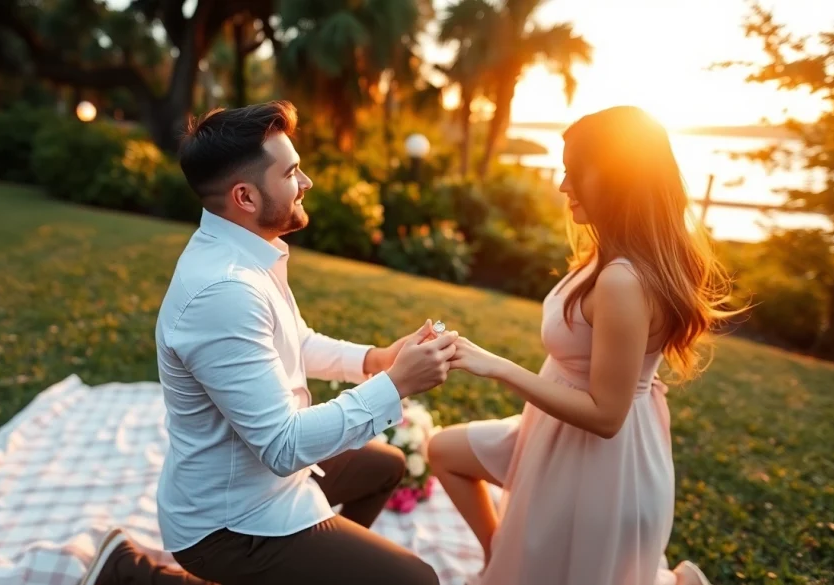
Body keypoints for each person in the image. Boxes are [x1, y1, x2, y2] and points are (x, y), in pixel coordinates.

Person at [427, 105, 738, 585]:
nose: (562, 185)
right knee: (446, 451)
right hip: (548, 431)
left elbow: (606, 417)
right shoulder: (608, 257)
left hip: (599, 463)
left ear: (615, 179)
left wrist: (498, 367)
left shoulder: (622, 279)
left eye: (574, 172)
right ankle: (498, 556)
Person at [149, 100, 456, 585]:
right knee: (417, 580)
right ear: (246, 197)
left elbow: (296, 341)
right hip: (230, 523)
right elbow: (283, 446)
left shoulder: (244, 252)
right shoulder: (225, 290)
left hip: (262, 479)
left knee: (387, 465)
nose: (306, 182)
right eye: (292, 172)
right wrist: (396, 385)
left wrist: (376, 361)